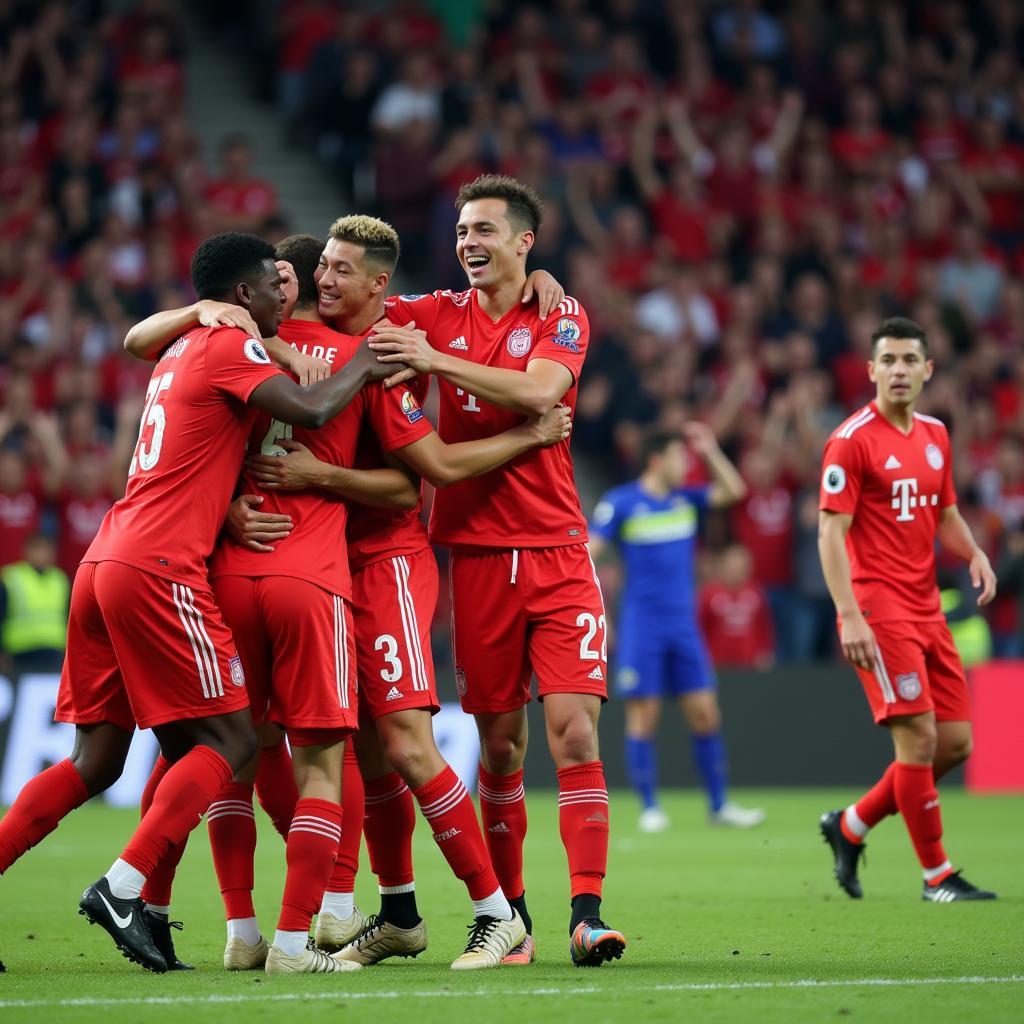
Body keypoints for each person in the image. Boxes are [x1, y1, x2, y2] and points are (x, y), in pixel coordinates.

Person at [127, 225, 567, 970]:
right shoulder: (265, 340)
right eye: (319, 268)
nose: (325, 281)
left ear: (376, 287)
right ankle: (353, 914)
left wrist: (319, 477)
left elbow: (415, 479)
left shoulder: (387, 349)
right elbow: (210, 445)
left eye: (340, 272)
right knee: (299, 749)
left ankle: (495, 916)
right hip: (300, 566)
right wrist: (233, 497)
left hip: (379, 562)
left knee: (391, 744)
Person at [0, 232, 397, 973]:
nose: (288, 294)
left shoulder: (188, 343)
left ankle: (152, 904)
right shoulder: (227, 346)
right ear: (242, 295)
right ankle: (126, 889)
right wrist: (370, 358)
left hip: (105, 557)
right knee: (234, 742)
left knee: (98, 762)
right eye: (273, 285)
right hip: (159, 568)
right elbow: (310, 414)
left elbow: (162, 374)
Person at [370, 174, 626, 967]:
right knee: (504, 748)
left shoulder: (559, 313)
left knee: (576, 731)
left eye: (485, 230)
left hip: (556, 553)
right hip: (477, 560)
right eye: (461, 232)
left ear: (524, 242)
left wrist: (435, 361)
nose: (469, 243)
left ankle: (587, 915)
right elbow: (347, 312)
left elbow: (541, 391)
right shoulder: (433, 313)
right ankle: (510, 919)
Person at [817, 315, 997, 903]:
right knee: (918, 741)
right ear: (870, 370)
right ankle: (937, 875)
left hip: (927, 607)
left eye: (909, 360)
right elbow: (829, 533)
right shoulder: (851, 439)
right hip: (878, 608)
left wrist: (973, 553)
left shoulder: (936, 435)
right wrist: (848, 614)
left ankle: (851, 825)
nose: (899, 371)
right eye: (888, 361)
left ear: (928, 370)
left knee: (957, 744)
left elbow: (944, 512)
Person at [589, 428, 765, 832]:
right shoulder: (622, 503)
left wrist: (711, 449)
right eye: (680, 457)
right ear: (656, 461)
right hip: (641, 624)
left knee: (705, 714)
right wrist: (602, 611)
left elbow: (734, 490)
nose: (687, 464)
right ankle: (650, 808)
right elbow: (589, 554)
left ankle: (719, 805)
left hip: (683, 625)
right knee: (644, 717)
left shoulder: (686, 500)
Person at [0, 533, 69, 675]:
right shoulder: (11, 577)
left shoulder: (60, 579)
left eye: (46, 550)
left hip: (54, 652)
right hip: (20, 653)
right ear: (26, 551)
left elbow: (69, 617)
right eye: (37, 549)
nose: (42, 554)